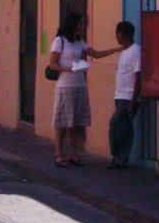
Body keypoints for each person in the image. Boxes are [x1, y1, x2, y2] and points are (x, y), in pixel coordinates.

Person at [49, 13, 121, 167]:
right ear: (72, 24)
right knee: (62, 122)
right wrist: (68, 69)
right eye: (79, 24)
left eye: (82, 24)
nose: (82, 27)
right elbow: (53, 64)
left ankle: (73, 153)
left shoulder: (80, 42)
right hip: (65, 86)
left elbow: (96, 54)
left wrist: (115, 50)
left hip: (80, 84)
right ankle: (58, 153)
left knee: (75, 121)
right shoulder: (59, 41)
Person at [107, 21, 141, 169]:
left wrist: (134, 99)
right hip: (120, 95)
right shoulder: (123, 52)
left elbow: (137, 75)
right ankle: (120, 158)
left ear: (122, 34)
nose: (116, 37)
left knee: (116, 124)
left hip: (128, 97)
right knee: (125, 128)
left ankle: (118, 155)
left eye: (117, 33)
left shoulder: (136, 51)